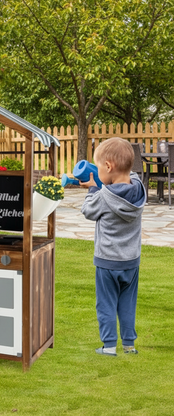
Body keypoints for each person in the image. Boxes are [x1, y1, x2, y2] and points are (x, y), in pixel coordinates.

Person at [80, 137, 146, 356]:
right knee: (127, 303)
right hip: (131, 261)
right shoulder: (139, 190)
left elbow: (88, 210)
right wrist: (104, 181)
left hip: (108, 262)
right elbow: (126, 178)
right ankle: (129, 345)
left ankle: (108, 346)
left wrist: (93, 189)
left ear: (108, 166)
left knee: (106, 304)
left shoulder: (103, 197)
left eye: (99, 167)